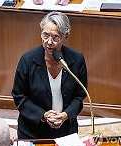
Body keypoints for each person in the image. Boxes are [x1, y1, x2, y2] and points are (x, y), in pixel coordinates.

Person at [12, 11, 87, 139]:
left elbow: (80, 95)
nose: (49, 42)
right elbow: (19, 96)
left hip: (66, 129)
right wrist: (43, 115)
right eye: (45, 35)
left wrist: (65, 115)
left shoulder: (77, 59)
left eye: (55, 37)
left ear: (66, 36)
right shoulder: (28, 60)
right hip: (32, 130)